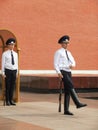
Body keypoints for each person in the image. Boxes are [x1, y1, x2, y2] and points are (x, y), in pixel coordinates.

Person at [54, 35, 87, 115]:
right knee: (71, 85)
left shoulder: (68, 53)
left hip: (68, 72)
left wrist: (73, 65)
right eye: (65, 43)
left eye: (67, 43)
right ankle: (77, 103)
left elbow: (73, 61)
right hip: (63, 71)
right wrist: (58, 73)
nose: (67, 44)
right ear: (61, 43)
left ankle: (66, 110)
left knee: (68, 90)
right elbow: (55, 64)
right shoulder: (58, 52)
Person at [1, 38, 18, 106]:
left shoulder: (15, 54)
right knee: (7, 86)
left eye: (13, 44)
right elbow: (3, 64)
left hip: (14, 71)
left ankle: (11, 100)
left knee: (12, 86)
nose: (12, 46)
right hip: (8, 71)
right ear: (8, 45)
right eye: (11, 45)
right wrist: (3, 72)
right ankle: (7, 100)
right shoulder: (5, 54)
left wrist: (16, 72)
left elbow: (16, 63)